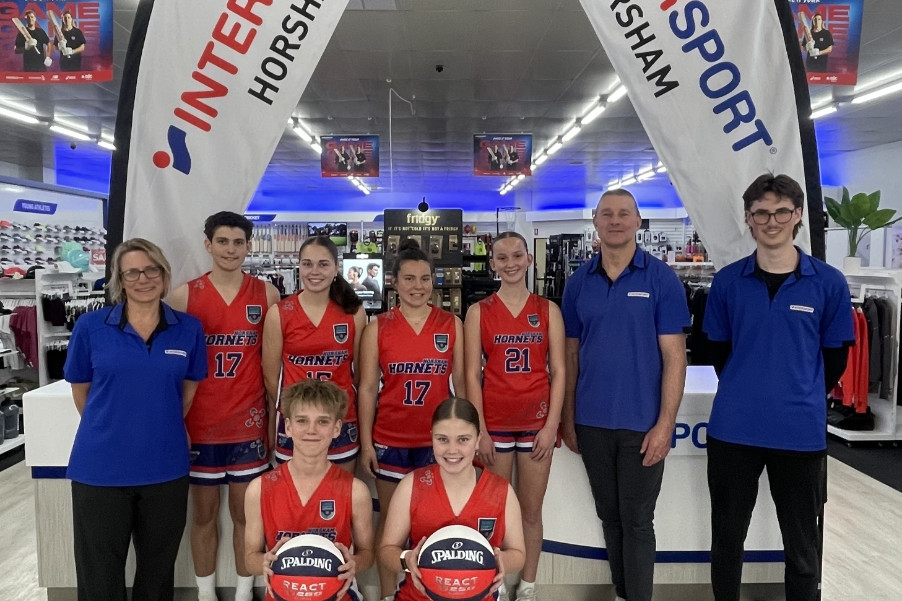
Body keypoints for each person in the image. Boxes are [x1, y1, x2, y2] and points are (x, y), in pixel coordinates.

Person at [702, 174, 854, 601]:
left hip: (799, 433)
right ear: (749, 219)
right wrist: (748, 386)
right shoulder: (728, 282)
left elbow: (834, 360)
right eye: (762, 213)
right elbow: (717, 350)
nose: (772, 221)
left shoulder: (828, 283)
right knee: (727, 542)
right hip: (733, 432)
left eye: (781, 212)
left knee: (802, 548)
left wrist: (797, 392)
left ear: (798, 216)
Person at [560, 189, 689, 601]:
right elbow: (570, 357)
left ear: (638, 222)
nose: (615, 221)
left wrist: (665, 424)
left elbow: (674, 358)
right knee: (610, 517)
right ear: (595, 222)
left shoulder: (662, 279)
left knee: (637, 521)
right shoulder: (579, 282)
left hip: (642, 424)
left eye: (624, 214)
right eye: (607, 214)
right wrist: (568, 418)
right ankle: (622, 592)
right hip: (592, 423)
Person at [64, 238, 207, 601]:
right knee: (99, 573)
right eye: (132, 272)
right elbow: (82, 391)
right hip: (99, 470)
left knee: (158, 572)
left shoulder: (188, 329)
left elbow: (187, 391)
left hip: (165, 468)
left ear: (163, 274)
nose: (143, 278)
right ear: (119, 278)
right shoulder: (90, 327)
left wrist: (156, 423)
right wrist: (115, 425)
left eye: (151, 270)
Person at [168, 211, 281, 601]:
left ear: (249, 246)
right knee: (202, 517)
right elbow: (174, 369)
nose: (230, 249)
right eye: (222, 242)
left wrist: (271, 421)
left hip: (248, 422)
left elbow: (272, 365)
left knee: (244, 517)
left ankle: (244, 590)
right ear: (208, 245)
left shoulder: (266, 294)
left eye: (238, 242)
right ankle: (204, 594)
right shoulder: (183, 296)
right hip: (200, 423)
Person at [357, 239, 466, 601]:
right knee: (392, 524)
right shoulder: (377, 327)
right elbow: (368, 388)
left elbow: (463, 384)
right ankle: (391, 595)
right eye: (409, 279)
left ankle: (431, 592)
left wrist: (469, 435)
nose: (417, 286)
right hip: (391, 437)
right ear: (394, 282)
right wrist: (368, 443)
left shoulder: (451, 324)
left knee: (433, 521)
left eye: (424, 278)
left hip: (437, 442)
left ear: (434, 281)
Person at [464, 231, 565, 601]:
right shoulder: (478, 312)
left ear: (528, 260)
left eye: (516, 256)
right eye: (502, 257)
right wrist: (481, 431)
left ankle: (529, 585)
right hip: (496, 424)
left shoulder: (548, 310)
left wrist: (552, 424)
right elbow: (471, 375)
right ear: (492, 264)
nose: (510, 263)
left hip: (536, 422)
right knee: (494, 512)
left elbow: (559, 370)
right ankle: (496, 584)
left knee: (531, 511)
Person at [379, 397, 526, 601]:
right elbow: (387, 551)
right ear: (432, 438)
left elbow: (518, 554)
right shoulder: (411, 486)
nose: (452, 450)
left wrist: (502, 561)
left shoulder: (501, 491)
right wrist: (407, 559)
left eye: (463, 439)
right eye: (442, 439)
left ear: (478, 439)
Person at [244, 379, 374, 601]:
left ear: (336, 428)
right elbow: (250, 559)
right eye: (302, 421)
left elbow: (367, 554)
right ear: (288, 426)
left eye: (322, 422)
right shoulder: (259, 488)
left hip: (336, 594)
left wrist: (355, 563)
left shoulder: (355, 490)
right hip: (281, 594)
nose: (311, 430)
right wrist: (263, 561)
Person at [263, 236, 366, 473]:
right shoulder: (280, 313)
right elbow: (271, 379)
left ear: (336, 268)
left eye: (323, 264)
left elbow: (359, 374)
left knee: (340, 500)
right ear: (299, 266)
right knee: (293, 500)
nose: (314, 271)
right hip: (296, 421)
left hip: (340, 420)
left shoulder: (353, 312)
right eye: (307, 264)